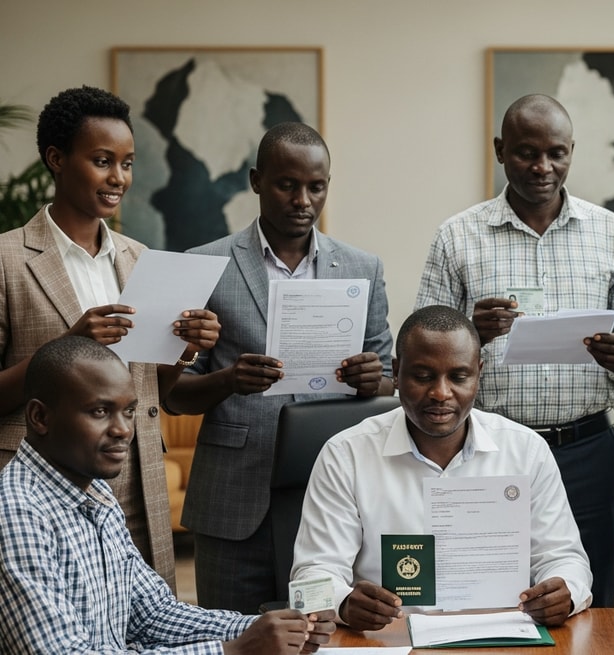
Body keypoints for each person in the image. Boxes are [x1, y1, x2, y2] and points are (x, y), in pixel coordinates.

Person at [413, 94, 614, 608]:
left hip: (588, 449)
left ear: (572, 151)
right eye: (526, 152)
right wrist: (470, 331)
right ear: (501, 150)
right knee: (482, 596)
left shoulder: (611, 233)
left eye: (556, 153)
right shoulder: (457, 236)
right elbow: (422, 344)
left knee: (587, 600)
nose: (543, 167)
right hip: (487, 451)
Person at [164, 122, 394, 614]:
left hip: (330, 495)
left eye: (316, 186)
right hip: (232, 498)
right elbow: (173, 395)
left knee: (321, 635)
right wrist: (228, 380)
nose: (303, 200)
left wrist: (375, 381)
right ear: (255, 181)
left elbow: (392, 379)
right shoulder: (205, 264)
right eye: (287, 184)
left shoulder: (362, 268)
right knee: (232, 634)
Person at [0, 86, 221, 587]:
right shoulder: (7, 260)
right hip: (38, 486)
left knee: (145, 628)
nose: (118, 177)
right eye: (102, 160)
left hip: (136, 483)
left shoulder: (141, 259)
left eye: (127, 162)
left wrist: (184, 350)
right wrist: (65, 347)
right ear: (56, 159)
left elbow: (155, 392)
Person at [0, 335, 335, 654]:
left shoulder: (96, 491)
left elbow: (154, 615)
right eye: (100, 412)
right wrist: (232, 651)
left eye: (129, 411)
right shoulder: (15, 513)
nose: (123, 430)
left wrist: (263, 628)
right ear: (39, 417)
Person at [290, 305, 592, 630]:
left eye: (459, 377)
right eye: (423, 376)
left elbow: (565, 559)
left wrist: (566, 592)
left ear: (479, 372)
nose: (440, 393)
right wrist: (345, 604)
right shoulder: (346, 454)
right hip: (392, 641)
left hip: (503, 638)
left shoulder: (525, 450)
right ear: (396, 371)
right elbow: (310, 579)